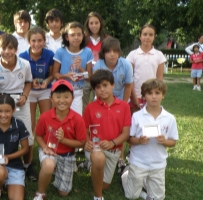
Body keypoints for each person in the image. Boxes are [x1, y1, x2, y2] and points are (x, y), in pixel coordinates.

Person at [0, 34, 37, 181]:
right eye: (3, 48)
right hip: (3, 102)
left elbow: (29, 82)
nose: (7, 51)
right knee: (2, 134)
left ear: (16, 49)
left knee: (27, 136)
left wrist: (25, 96)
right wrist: (0, 99)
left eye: (11, 48)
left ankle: (28, 165)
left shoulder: (25, 64)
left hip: (20, 101)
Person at [80, 37, 133, 172]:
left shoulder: (126, 64)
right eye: (109, 51)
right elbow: (96, 86)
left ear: (119, 52)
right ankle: (94, 155)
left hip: (120, 100)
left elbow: (128, 85)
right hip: (100, 99)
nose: (112, 54)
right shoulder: (98, 65)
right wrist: (97, 103)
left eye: (115, 51)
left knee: (120, 128)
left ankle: (120, 158)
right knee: (98, 126)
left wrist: (123, 103)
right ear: (103, 53)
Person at [121, 79, 178, 200]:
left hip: (158, 164)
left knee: (158, 198)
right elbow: (129, 139)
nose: (153, 96)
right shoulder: (137, 116)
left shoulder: (169, 118)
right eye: (149, 93)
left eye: (157, 93)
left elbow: (173, 142)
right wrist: (139, 141)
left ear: (163, 96)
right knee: (131, 196)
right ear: (143, 96)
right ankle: (127, 173)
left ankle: (145, 181)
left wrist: (165, 141)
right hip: (139, 162)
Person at [32, 80, 86, 200]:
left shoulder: (77, 119)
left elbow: (82, 142)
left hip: (67, 154)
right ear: (51, 98)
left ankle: (57, 170)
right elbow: (39, 136)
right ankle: (40, 193)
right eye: (58, 97)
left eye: (66, 96)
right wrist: (44, 147)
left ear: (72, 98)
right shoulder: (45, 117)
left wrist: (63, 140)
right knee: (48, 164)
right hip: (49, 151)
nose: (62, 100)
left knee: (63, 192)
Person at [83, 70, 131, 200]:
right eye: (98, 87)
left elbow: (126, 133)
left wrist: (112, 143)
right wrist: (87, 141)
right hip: (96, 148)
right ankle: (98, 197)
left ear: (113, 85)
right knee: (98, 159)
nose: (102, 90)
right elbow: (85, 130)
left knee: (104, 185)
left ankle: (91, 166)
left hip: (114, 150)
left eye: (105, 85)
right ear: (94, 90)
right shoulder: (90, 107)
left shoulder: (124, 106)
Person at [0, 95, 29, 200]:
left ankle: (7, 180)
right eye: (0, 111)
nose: (3, 115)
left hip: (14, 165)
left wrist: (8, 157)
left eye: (7, 111)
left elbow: (25, 149)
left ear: (13, 110)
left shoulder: (19, 125)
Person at [19, 27, 54, 140]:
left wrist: (47, 81)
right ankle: (30, 144)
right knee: (30, 120)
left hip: (45, 89)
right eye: (33, 41)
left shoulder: (50, 54)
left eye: (40, 40)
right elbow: (20, 77)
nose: (37, 44)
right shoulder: (22, 56)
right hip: (29, 91)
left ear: (44, 41)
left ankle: (47, 143)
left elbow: (53, 74)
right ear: (29, 41)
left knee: (47, 118)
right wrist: (30, 82)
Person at [53, 21, 93, 116]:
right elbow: (55, 74)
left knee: (76, 119)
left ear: (83, 36)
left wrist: (80, 68)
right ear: (67, 37)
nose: (76, 37)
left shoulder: (87, 52)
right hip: (62, 90)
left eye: (79, 34)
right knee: (60, 118)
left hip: (77, 92)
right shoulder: (60, 52)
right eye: (72, 35)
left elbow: (89, 77)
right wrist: (66, 76)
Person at [126, 24, 166, 114]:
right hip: (135, 94)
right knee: (135, 120)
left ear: (154, 37)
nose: (147, 37)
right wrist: (134, 96)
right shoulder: (133, 55)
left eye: (151, 35)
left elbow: (159, 78)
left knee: (150, 120)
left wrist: (158, 94)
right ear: (140, 36)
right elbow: (129, 78)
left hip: (152, 95)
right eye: (145, 34)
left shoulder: (159, 55)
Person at [83, 11, 108, 108]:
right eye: (91, 23)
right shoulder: (82, 40)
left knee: (100, 105)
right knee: (83, 106)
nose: (94, 26)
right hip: (85, 78)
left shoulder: (106, 39)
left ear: (100, 23)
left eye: (96, 23)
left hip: (100, 77)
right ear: (87, 25)